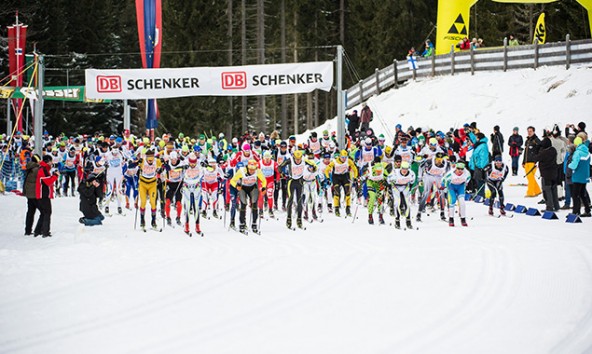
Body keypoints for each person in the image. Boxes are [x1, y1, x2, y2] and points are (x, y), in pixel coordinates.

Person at [35, 155, 59, 237]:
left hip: (43, 194)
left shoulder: (44, 169)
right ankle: (45, 232)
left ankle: (38, 230)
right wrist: (55, 176)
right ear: (47, 161)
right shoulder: (43, 169)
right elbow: (48, 181)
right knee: (47, 212)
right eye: (51, 161)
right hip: (43, 195)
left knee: (44, 213)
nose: (52, 163)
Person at [534, 137, 560, 212]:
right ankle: (556, 206)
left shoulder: (544, 153)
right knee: (554, 190)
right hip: (554, 173)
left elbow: (535, 158)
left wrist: (537, 148)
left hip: (546, 174)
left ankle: (549, 207)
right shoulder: (553, 150)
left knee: (546, 191)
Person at [442, 161, 471, 227]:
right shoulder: (450, 174)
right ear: (456, 168)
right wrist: (443, 186)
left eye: (462, 169)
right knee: (452, 200)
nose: (460, 171)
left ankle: (463, 219)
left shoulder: (467, 174)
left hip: (460, 187)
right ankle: (451, 218)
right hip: (451, 187)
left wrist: (466, 186)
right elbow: (444, 180)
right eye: (458, 169)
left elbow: (467, 181)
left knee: (462, 202)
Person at [568, 135, 591, 217]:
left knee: (575, 195)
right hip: (585, 176)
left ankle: (576, 211)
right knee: (582, 194)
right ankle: (587, 210)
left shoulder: (577, 153)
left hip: (577, 176)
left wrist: (569, 165)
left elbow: (574, 165)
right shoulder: (587, 152)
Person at [23, 154, 41, 236]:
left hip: (29, 193)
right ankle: (39, 230)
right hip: (35, 193)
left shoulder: (29, 167)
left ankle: (27, 230)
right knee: (44, 212)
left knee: (30, 212)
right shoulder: (37, 169)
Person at [523, 126, 542, 197]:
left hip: (533, 162)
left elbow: (540, 150)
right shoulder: (527, 141)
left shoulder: (536, 140)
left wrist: (536, 160)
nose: (529, 132)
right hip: (527, 162)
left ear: (534, 132)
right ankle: (537, 190)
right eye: (528, 131)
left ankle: (530, 193)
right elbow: (525, 152)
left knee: (531, 177)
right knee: (529, 177)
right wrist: (523, 161)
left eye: (530, 131)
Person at [469, 132, 489, 198]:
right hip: (476, 166)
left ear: (479, 138)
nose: (476, 139)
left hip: (480, 167)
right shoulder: (479, 144)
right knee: (476, 180)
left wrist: (482, 167)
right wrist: (469, 133)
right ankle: (479, 194)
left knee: (480, 181)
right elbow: (474, 139)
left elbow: (484, 157)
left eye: (476, 137)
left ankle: (481, 195)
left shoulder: (483, 146)